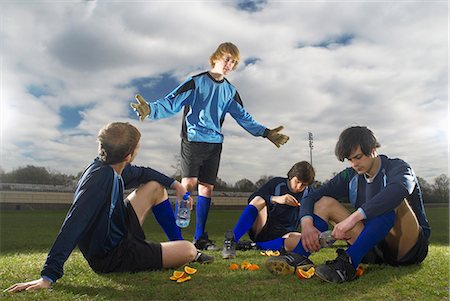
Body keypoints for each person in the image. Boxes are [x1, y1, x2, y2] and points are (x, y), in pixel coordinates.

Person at [5, 122, 211, 293]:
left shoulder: (111, 166)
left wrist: (176, 186)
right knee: (188, 250)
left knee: (156, 187)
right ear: (129, 154)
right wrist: (48, 275)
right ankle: (180, 250)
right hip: (112, 255)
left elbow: (144, 173)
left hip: (119, 227)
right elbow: (74, 223)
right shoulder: (99, 179)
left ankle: (174, 243)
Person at [130, 42, 289, 250]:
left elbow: (244, 117)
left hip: (215, 143)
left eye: (234, 62)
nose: (229, 64)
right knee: (188, 185)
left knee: (207, 188)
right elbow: (172, 101)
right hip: (193, 139)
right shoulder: (196, 83)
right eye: (227, 59)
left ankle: (200, 238)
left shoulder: (230, 91)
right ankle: (177, 237)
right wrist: (150, 109)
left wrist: (266, 132)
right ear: (215, 58)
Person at [265, 126, 430, 283]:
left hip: (407, 248)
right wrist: (307, 224)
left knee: (392, 198)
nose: (354, 164)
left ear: (373, 149)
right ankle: (299, 256)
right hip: (372, 247)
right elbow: (311, 197)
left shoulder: (398, 167)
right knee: (324, 203)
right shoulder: (349, 175)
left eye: (358, 157)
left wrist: (352, 219)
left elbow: (399, 189)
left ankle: (348, 262)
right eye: (350, 159)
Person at [222, 161, 315, 264]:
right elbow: (252, 199)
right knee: (259, 200)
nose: (299, 187)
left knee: (303, 241)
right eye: (297, 182)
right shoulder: (277, 183)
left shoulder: (308, 193)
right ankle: (231, 241)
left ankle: (253, 246)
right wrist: (276, 199)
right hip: (263, 226)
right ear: (291, 176)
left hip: (284, 233)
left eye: (303, 185)